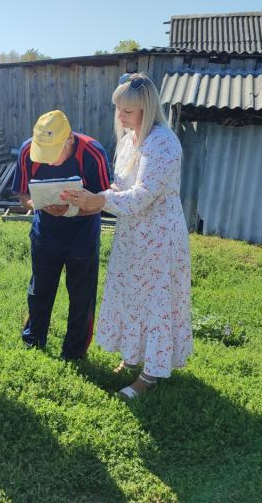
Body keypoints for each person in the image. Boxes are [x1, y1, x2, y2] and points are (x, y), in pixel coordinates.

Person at [60, 73, 193, 400]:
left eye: (127, 111)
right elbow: (121, 189)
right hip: (133, 232)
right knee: (132, 294)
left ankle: (151, 372)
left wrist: (101, 200)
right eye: (118, 109)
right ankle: (132, 355)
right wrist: (90, 197)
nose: (120, 116)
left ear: (146, 109)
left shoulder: (162, 141)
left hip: (159, 235)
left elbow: (145, 194)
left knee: (156, 300)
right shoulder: (130, 139)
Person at [12, 110, 111, 361]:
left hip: (82, 232)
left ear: (69, 140)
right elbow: (22, 195)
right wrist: (35, 204)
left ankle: (74, 353)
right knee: (39, 290)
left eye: (54, 154)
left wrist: (72, 208)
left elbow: (104, 202)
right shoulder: (26, 151)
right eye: (43, 154)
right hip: (45, 229)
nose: (49, 162)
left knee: (81, 295)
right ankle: (33, 341)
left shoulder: (93, 152)